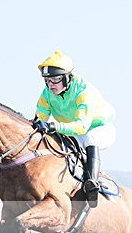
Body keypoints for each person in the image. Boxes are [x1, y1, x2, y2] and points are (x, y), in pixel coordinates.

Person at [31, 50, 116, 208]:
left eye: (55, 80)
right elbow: (39, 119)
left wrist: (52, 126)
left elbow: (81, 126)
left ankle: (92, 183)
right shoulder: (47, 94)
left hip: (99, 129)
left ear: (68, 78)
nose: (51, 85)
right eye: (47, 80)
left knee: (91, 139)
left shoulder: (83, 92)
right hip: (73, 132)